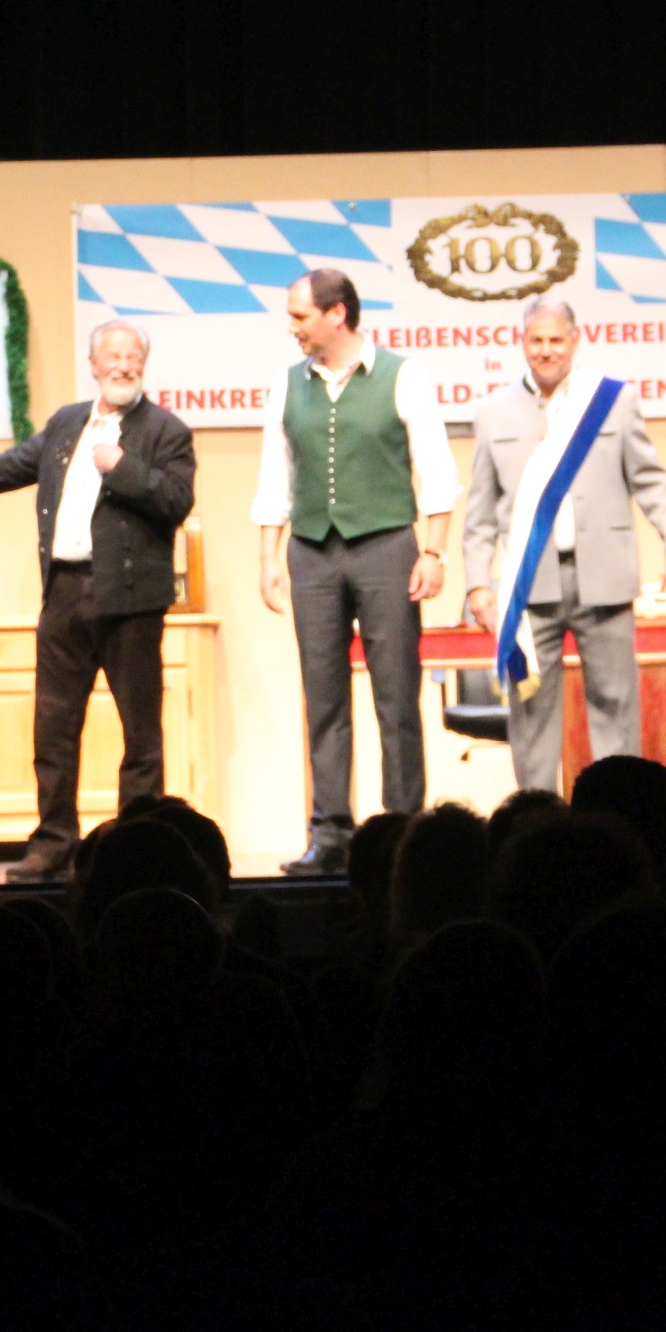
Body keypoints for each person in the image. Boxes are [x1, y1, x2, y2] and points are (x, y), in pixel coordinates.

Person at [0, 321, 195, 881]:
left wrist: (123, 467)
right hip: (64, 592)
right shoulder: (67, 422)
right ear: (93, 364)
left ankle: (136, 849)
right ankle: (55, 842)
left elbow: (176, 500)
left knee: (140, 734)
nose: (123, 365)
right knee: (53, 728)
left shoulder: (166, 431)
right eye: (113, 356)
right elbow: (13, 464)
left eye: (133, 356)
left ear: (144, 364)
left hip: (131, 599)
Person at [254, 268, 460, 877]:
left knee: (396, 695)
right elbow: (275, 475)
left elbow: (436, 469)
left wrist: (434, 552)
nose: (292, 327)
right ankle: (330, 834)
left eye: (300, 316)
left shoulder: (402, 375)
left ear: (336, 314)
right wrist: (268, 556)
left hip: (386, 546)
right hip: (312, 551)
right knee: (322, 695)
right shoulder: (287, 383)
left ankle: (403, 831)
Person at [461, 297, 666, 793]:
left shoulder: (613, 400)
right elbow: (480, 508)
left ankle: (617, 817)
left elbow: (651, 481)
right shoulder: (493, 412)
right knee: (531, 714)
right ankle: (537, 821)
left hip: (604, 578)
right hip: (531, 586)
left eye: (555, 340)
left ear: (575, 340)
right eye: (536, 340)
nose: (546, 351)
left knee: (615, 705)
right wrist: (478, 582)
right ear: (522, 342)